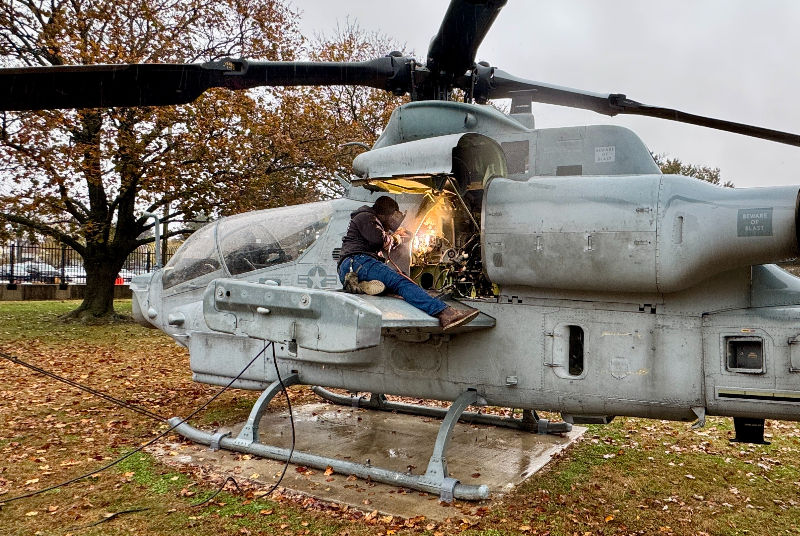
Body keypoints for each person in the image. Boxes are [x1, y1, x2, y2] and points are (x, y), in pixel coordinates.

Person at [337, 195, 479, 331]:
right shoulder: (366, 217)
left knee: (397, 280)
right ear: (385, 214)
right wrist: (395, 238)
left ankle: (363, 284)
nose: (394, 220)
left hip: (355, 265)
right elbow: (377, 240)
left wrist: (395, 237)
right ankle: (445, 314)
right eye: (392, 216)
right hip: (356, 262)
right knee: (400, 281)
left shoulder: (370, 219)